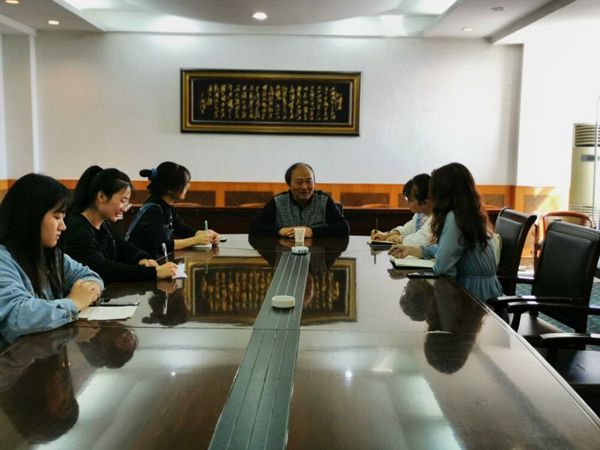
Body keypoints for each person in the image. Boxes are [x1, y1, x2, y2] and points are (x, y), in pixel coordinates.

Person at [0, 174, 103, 345]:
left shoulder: (50, 255)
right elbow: (18, 317)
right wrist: (74, 302)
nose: (63, 226)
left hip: (41, 351)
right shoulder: (3, 259)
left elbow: (89, 275)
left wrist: (90, 290)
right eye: (57, 217)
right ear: (31, 216)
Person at [389, 162, 503, 301]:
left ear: (443, 192)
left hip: (472, 298)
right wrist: (413, 250)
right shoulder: (468, 213)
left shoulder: (454, 218)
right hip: (485, 292)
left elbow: (443, 267)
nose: (430, 195)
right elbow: (447, 249)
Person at [63, 166, 177, 284]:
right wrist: (153, 272)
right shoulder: (76, 229)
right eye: (122, 200)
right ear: (101, 197)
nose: (125, 209)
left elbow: (124, 247)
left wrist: (141, 258)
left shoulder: (103, 225)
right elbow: (103, 269)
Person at [126, 162, 220, 259]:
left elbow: (183, 229)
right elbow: (163, 246)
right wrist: (196, 240)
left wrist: (206, 234)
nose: (188, 186)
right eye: (184, 183)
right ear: (170, 189)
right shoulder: (153, 210)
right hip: (138, 263)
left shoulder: (167, 206)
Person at [249, 162, 349, 237]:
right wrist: (279, 231)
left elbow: (343, 228)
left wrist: (313, 232)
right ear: (289, 184)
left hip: (317, 255)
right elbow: (254, 226)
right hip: (286, 253)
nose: (305, 187)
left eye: (309, 181)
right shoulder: (279, 201)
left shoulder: (324, 200)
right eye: (299, 182)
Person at [371, 173, 432, 246]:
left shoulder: (436, 218)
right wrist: (387, 235)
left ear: (425, 202)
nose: (407, 202)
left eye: (410, 200)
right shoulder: (421, 214)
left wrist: (400, 240)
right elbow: (407, 229)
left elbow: (422, 239)